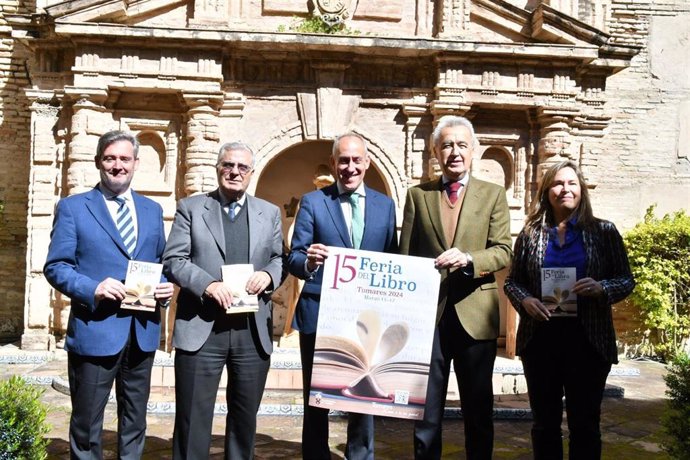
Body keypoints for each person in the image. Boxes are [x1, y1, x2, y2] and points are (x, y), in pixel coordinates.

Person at [43, 130, 174, 459]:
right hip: (95, 330)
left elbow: (161, 264)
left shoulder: (151, 210)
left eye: (124, 159)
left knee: (135, 421)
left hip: (142, 333)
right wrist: (93, 288)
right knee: (87, 425)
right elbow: (56, 266)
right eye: (110, 158)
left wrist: (166, 289)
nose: (118, 166)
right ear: (99, 161)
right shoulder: (74, 208)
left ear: (136, 163)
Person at [503, 160, 635, 459]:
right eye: (558, 183)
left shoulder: (603, 231)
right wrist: (525, 301)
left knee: (585, 426)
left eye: (571, 183)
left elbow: (626, 279)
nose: (565, 189)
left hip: (588, 342)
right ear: (547, 191)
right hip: (541, 342)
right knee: (544, 426)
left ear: (581, 190)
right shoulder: (530, 234)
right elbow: (512, 282)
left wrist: (602, 288)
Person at [399, 115, 512, 460]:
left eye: (462, 144)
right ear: (435, 151)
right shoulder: (418, 196)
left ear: (474, 149)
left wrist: (468, 259)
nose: (455, 152)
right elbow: (406, 257)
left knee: (478, 411)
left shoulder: (493, 195)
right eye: (447, 145)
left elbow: (503, 250)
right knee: (425, 413)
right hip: (427, 319)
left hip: (475, 315)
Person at [162, 141, 283, 459]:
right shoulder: (191, 208)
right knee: (192, 421)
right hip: (202, 327)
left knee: (244, 422)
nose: (234, 172)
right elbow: (174, 260)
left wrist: (270, 276)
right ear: (218, 169)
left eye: (242, 167)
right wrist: (207, 285)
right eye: (228, 165)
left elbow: (278, 258)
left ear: (251, 173)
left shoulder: (268, 213)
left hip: (250, 331)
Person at [288, 132, 398, 459]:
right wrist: (308, 261)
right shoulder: (313, 202)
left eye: (356, 160)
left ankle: (361, 455)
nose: (350, 167)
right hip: (321, 315)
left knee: (364, 398)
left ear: (367, 163)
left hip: (368, 320)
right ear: (334, 163)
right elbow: (294, 258)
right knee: (318, 400)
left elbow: (391, 260)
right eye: (343, 160)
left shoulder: (386, 205)